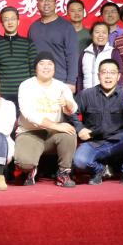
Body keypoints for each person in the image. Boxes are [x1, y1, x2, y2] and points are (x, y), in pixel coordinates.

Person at [69, 60, 123, 186]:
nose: (108, 76)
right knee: (80, 161)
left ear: (118, 76)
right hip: (95, 143)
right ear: (98, 75)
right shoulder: (87, 94)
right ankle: (100, 170)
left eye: (112, 73)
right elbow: (71, 112)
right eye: (104, 72)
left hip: (119, 142)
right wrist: (80, 128)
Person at [15, 53, 78, 187]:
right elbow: (29, 114)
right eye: (42, 64)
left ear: (54, 68)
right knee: (24, 163)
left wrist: (67, 103)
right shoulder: (26, 85)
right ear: (35, 68)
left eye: (50, 64)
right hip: (29, 132)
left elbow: (73, 109)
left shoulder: (61, 86)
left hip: (52, 134)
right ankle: (30, 170)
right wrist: (56, 125)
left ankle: (63, 173)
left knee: (69, 133)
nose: (46, 67)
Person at [28, 0, 78, 91]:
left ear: (55, 4)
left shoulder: (66, 27)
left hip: (60, 81)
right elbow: (30, 54)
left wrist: (71, 81)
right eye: (42, 0)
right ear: (37, 4)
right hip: (37, 81)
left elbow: (72, 55)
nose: (46, 3)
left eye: (49, 0)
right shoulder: (33, 27)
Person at [0, 6, 37, 105]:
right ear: (1, 23)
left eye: (13, 19)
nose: (10, 22)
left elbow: (33, 69)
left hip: (25, 92)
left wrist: (33, 90)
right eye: (6, 19)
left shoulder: (28, 43)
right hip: (3, 93)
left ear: (18, 21)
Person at [79, 22, 118, 91]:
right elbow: (80, 77)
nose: (100, 35)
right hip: (87, 95)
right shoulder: (84, 54)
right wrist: (80, 94)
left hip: (107, 95)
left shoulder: (114, 52)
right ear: (91, 35)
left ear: (108, 35)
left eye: (104, 32)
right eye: (97, 32)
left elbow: (119, 75)